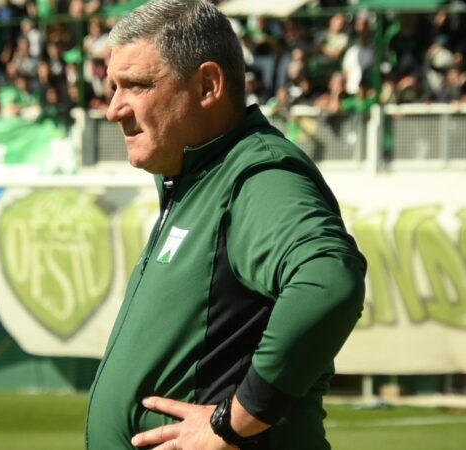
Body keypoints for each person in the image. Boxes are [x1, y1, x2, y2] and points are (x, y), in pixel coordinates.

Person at [85, 1, 367, 450]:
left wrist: (231, 422)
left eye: (136, 85)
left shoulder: (256, 176)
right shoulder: (196, 177)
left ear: (208, 86)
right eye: (113, 87)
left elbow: (329, 280)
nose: (114, 109)